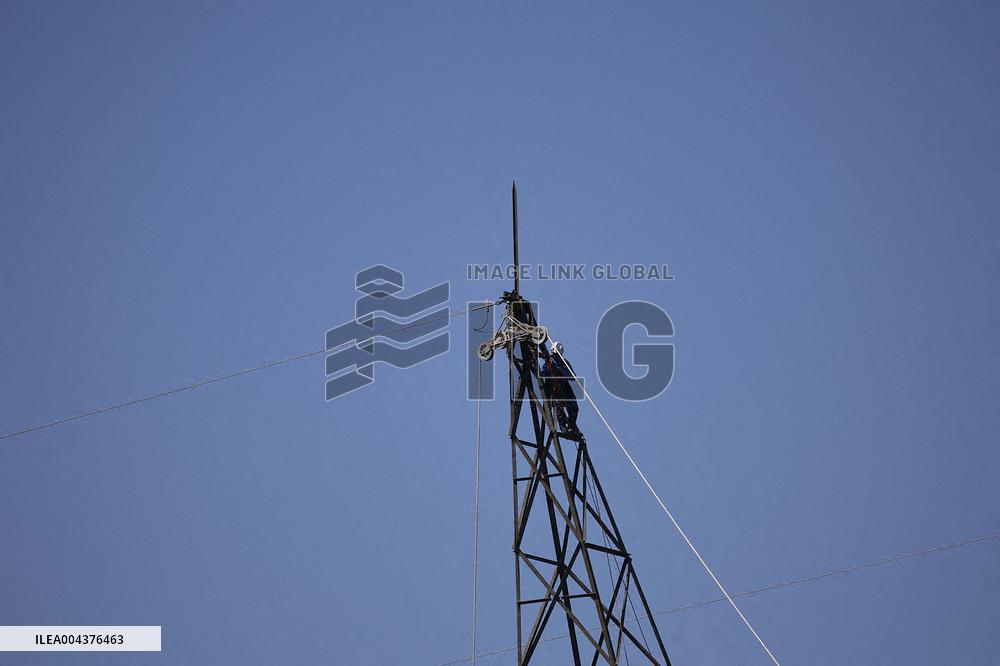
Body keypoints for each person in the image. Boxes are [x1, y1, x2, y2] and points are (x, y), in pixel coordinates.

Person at [540, 343, 580, 433]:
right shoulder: (549, 362)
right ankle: (563, 425)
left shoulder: (564, 362)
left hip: (564, 387)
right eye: (555, 354)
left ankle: (571, 425)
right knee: (558, 406)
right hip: (553, 387)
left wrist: (561, 369)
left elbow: (572, 377)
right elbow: (543, 374)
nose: (556, 356)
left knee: (574, 407)